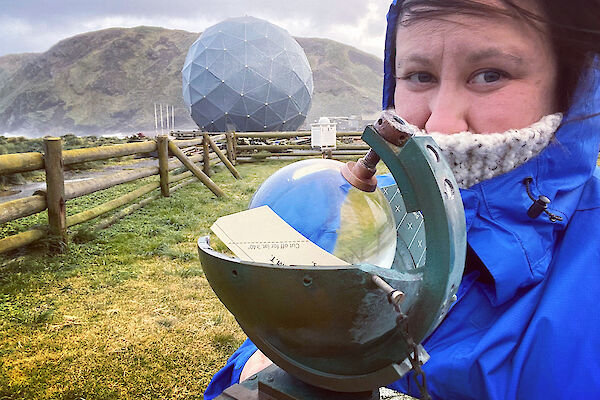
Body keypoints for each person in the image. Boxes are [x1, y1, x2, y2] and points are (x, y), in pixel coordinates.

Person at [204, 0, 600, 398]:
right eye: (419, 76)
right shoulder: (369, 213)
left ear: (570, 83)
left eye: (489, 75)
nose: (440, 122)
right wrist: (263, 365)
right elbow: (290, 319)